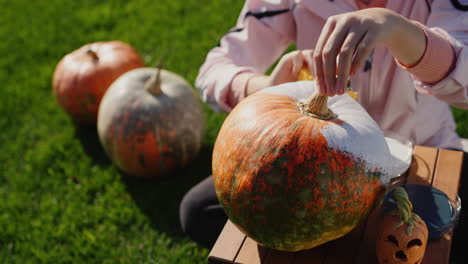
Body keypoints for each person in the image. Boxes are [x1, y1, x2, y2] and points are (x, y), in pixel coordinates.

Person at [179, 0, 468, 260]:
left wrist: (399, 31)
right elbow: (213, 70)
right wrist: (265, 88)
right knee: (198, 211)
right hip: (316, 166)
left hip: (424, 154)